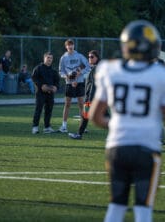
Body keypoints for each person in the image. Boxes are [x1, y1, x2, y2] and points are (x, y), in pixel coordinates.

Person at [89, 20, 165, 222]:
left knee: (116, 206)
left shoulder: (109, 69)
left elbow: (95, 117)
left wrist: (117, 125)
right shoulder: (160, 75)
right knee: (143, 209)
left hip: (117, 147)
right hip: (146, 149)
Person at [58, 39, 90, 133]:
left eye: (72, 45)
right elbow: (61, 71)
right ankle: (64, 126)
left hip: (79, 83)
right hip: (69, 83)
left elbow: (88, 66)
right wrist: (66, 76)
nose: (70, 47)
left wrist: (80, 73)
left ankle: (83, 126)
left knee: (82, 105)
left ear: (74, 46)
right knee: (67, 104)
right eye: (68, 45)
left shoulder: (79, 56)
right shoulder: (63, 58)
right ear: (66, 47)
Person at [68, 50, 100, 139]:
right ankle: (79, 134)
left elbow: (93, 85)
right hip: (94, 97)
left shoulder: (96, 68)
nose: (90, 58)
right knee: (85, 116)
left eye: (92, 57)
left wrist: (89, 98)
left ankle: (79, 134)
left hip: (93, 97)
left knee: (86, 115)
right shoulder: (93, 68)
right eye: (89, 57)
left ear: (97, 58)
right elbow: (88, 82)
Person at [31, 52, 59, 134]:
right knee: (38, 109)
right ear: (44, 58)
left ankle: (47, 127)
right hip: (40, 93)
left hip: (50, 93)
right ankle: (35, 127)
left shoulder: (53, 70)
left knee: (49, 110)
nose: (49, 59)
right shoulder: (38, 68)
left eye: (51, 58)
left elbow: (57, 82)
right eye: (48, 58)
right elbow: (34, 78)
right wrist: (41, 86)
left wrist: (55, 87)